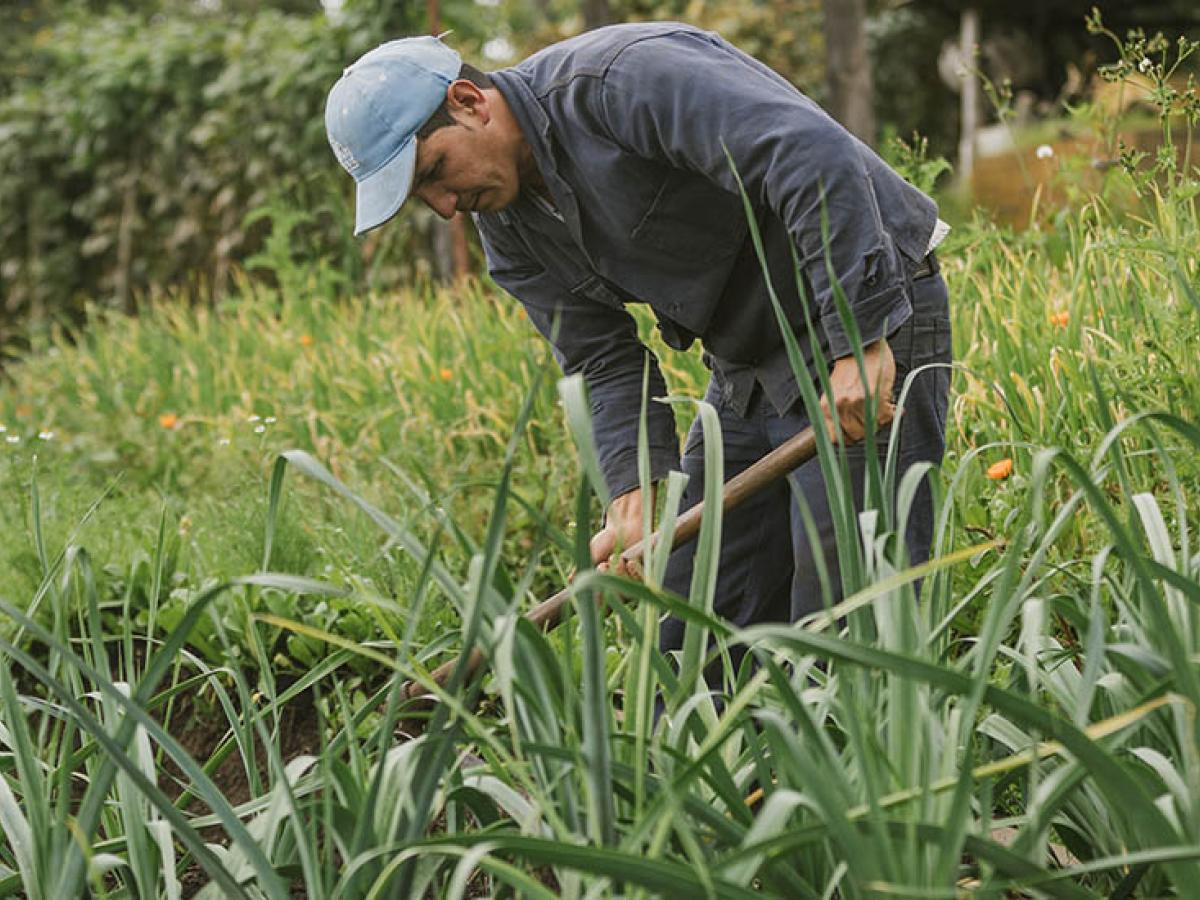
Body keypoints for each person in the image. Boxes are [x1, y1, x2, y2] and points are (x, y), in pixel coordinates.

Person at [324, 23, 952, 685]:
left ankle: (868, 776)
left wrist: (859, 335)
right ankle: (723, 785)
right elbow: (599, 357)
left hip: (863, 315)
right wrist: (635, 491)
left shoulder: (619, 81)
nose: (446, 207)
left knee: (845, 625)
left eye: (435, 173)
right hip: (746, 365)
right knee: (692, 631)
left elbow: (809, 155)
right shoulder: (505, 223)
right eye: (424, 200)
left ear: (468, 103)